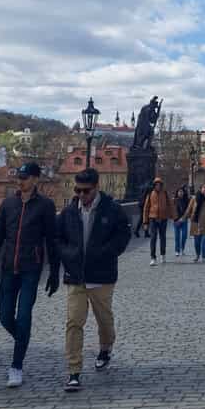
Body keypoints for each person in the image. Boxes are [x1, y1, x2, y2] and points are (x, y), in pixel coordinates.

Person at [0, 162, 59, 388]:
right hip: (8, 269)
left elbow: (52, 240)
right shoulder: (8, 204)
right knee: (5, 316)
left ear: (35, 179)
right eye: (19, 177)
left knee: (23, 316)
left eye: (24, 178)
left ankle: (16, 365)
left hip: (30, 269)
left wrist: (54, 271)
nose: (20, 181)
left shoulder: (45, 206)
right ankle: (22, 339)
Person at [55, 167, 132, 393]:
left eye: (85, 191)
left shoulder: (112, 209)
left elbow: (123, 235)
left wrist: (107, 252)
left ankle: (105, 348)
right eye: (77, 190)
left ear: (96, 188)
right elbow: (57, 238)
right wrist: (68, 255)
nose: (81, 195)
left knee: (104, 320)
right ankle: (74, 371)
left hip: (102, 276)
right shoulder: (69, 212)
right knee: (74, 322)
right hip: (76, 276)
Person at [142, 176, 171, 266]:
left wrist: (175, 217)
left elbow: (170, 205)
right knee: (153, 238)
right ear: (154, 185)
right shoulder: (150, 193)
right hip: (153, 218)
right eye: (156, 185)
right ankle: (153, 258)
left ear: (161, 185)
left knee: (163, 238)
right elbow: (146, 208)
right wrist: (145, 222)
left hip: (163, 218)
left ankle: (163, 255)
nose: (158, 186)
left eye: (159, 185)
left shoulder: (165, 193)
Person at [184, 187, 205, 262]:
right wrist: (183, 218)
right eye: (204, 188)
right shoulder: (195, 198)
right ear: (200, 189)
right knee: (197, 241)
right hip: (196, 222)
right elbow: (189, 209)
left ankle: (204, 257)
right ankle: (197, 255)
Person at [172, 184, 191, 258]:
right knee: (177, 237)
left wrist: (184, 217)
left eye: (182, 192)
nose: (180, 193)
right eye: (179, 192)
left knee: (184, 235)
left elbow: (188, 210)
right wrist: (175, 219)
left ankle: (182, 248)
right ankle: (177, 250)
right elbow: (172, 211)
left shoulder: (187, 200)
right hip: (176, 221)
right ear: (177, 193)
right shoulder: (174, 200)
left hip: (184, 219)